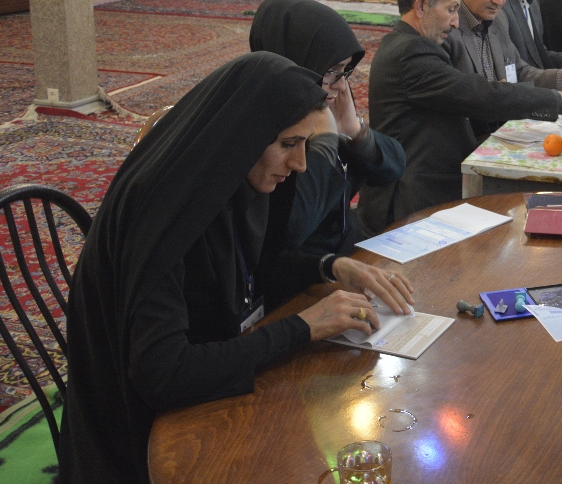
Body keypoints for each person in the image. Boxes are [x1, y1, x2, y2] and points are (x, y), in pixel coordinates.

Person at [59, 53, 415, 484]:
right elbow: (164, 374)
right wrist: (301, 328)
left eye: (306, 143)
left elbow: (248, 271)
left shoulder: (229, 179)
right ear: (245, 137)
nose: (301, 164)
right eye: (289, 144)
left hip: (203, 384)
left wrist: (331, 266)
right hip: (139, 444)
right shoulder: (164, 215)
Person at [356, 0, 562, 231]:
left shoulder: (410, 45)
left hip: (427, 180)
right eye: (451, 9)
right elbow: (477, 95)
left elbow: (467, 97)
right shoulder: (411, 52)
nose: (456, 22)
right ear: (421, 6)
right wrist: (557, 100)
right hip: (411, 196)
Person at [248, 0, 407, 306]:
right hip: (295, 282)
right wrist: (324, 142)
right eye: (332, 71)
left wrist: (354, 131)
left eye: (345, 72)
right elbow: (293, 227)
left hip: (342, 261)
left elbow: (393, 168)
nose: (340, 85)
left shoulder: (329, 105)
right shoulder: (263, 125)